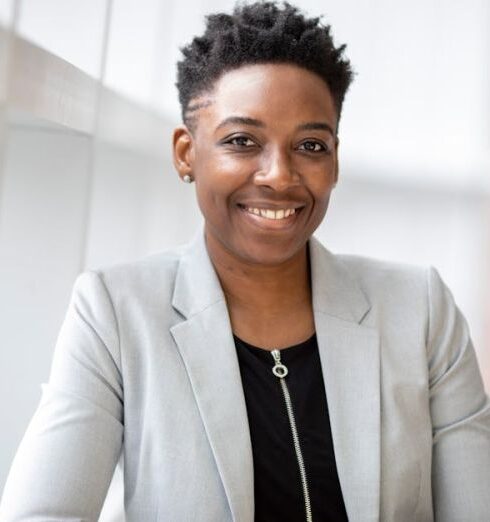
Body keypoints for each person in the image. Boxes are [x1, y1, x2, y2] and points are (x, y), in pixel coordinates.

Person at [1, 2, 489, 521]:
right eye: (241, 141)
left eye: (310, 144)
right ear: (187, 153)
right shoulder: (115, 314)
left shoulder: (421, 311)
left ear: (335, 161)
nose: (279, 175)